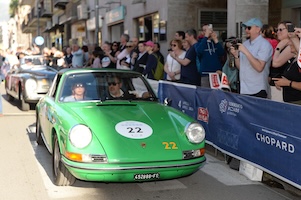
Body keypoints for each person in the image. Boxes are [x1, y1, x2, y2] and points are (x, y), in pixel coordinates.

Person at [230, 18, 273, 98]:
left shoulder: (265, 45)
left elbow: (259, 67)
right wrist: (236, 56)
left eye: (249, 28)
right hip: (244, 89)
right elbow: (241, 67)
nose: (246, 30)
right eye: (245, 28)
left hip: (258, 89)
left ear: (258, 29)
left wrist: (246, 52)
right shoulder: (245, 44)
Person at [273, 28, 301, 103]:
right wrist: (281, 81)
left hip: (297, 101)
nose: (289, 44)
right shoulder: (293, 60)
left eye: (292, 42)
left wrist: (288, 83)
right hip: (290, 101)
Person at [270, 21, 296, 101]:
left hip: (283, 89)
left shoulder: (291, 46)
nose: (278, 32)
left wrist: (278, 48)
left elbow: (275, 63)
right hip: (277, 85)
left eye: (281, 30)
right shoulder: (285, 45)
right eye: (277, 30)